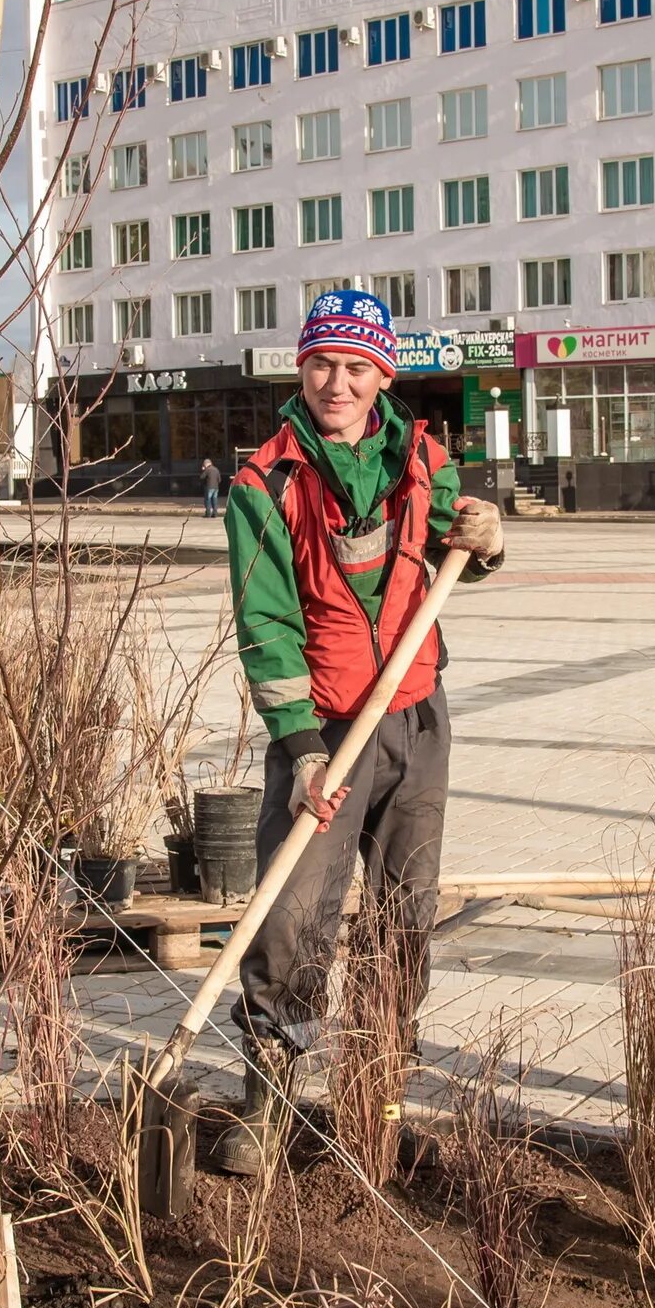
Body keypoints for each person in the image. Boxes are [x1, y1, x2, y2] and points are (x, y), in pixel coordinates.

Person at [210, 289, 506, 1175]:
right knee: (294, 915)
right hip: (328, 728)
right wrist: (301, 749)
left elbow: (456, 546)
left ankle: (376, 1100)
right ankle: (267, 1104)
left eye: (356, 366)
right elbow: (265, 623)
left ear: (384, 374)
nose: (337, 382)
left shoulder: (421, 454)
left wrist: (488, 538)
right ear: (301, 369)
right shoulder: (267, 481)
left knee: (403, 914)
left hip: (418, 714)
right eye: (321, 364)